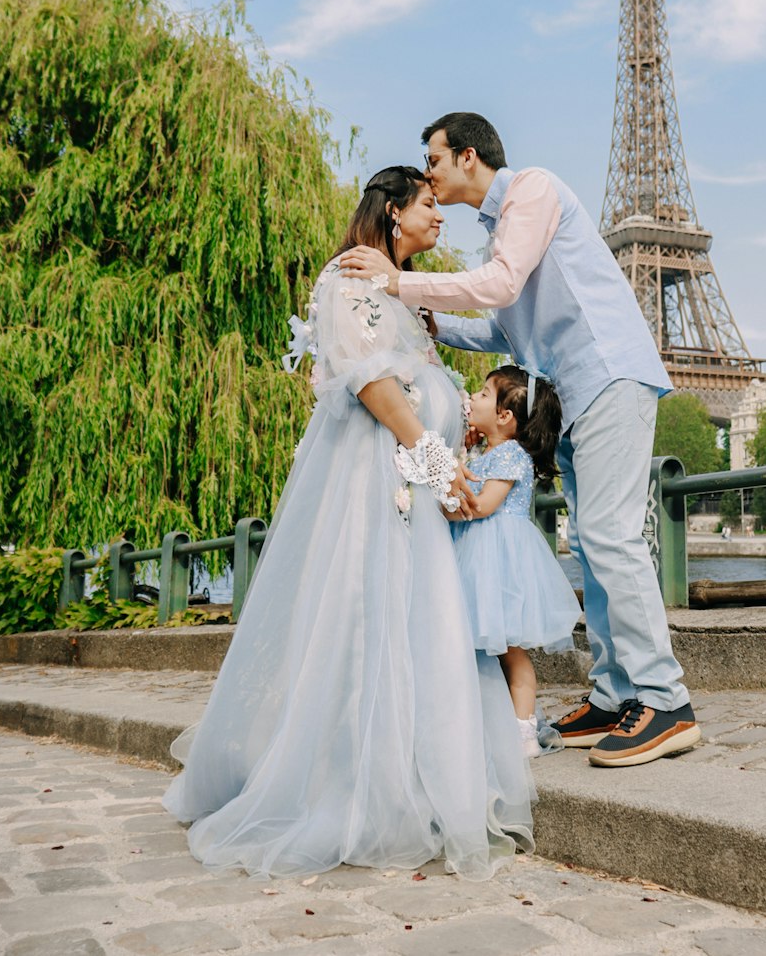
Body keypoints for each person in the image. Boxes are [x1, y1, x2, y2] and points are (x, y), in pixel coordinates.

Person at [162, 166, 533, 878]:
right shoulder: (349, 281)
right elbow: (371, 383)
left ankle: (411, 775)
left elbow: (423, 393)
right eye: (430, 205)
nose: (440, 217)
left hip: (415, 495)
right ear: (394, 212)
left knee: (416, 626)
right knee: (368, 621)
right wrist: (432, 457)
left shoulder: (406, 299)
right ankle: (355, 784)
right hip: (377, 492)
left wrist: (449, 471)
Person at [341, 114, 701, 769]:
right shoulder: (499, 233)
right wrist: (431, 321)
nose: (429, 173)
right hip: (568, 393)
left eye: (435, 159)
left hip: (607, 375)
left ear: (468, 155)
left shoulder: (532, 190)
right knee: (591, 543)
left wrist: (400, 282)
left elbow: (501, 286)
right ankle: (616, 694)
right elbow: (504, 332)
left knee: (611, 536)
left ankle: (666, 701)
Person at [449, 366, 582, 757]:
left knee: (510, 649)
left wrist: (445, 504)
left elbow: (485, 505)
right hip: (477, 557)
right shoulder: (482, 450)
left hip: (498, 562)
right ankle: (484, 720)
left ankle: (523, 731)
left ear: (505, 416)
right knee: (475, 644)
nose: (473, 397)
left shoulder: (510, 455)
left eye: (484, 394)